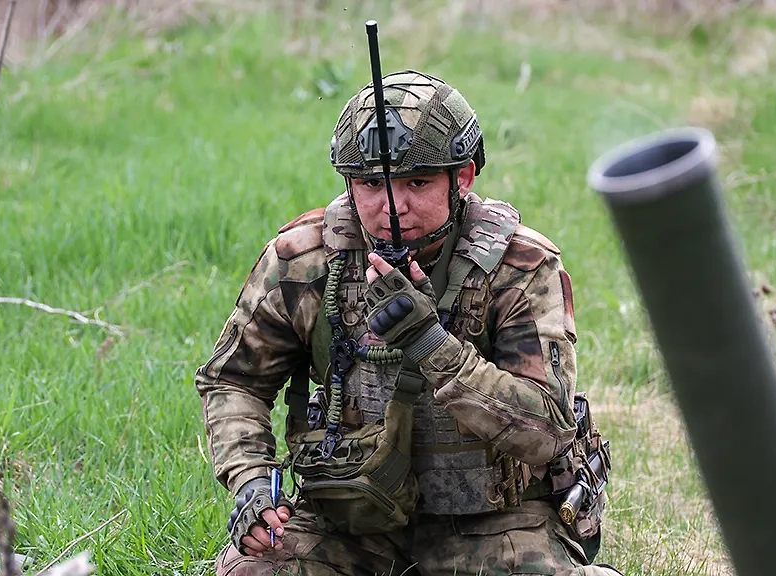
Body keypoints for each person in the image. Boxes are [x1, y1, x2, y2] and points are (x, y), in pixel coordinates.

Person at [195, 69, 621, 576]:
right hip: (349, 516)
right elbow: (233, 379)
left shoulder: (518, 268)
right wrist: (251, 480)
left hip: (494, 520)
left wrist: (430, 344)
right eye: (371, 185)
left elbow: (546, 429)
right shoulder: (306, 261)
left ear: (462, 177)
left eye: (417, 182)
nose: (392, 208)